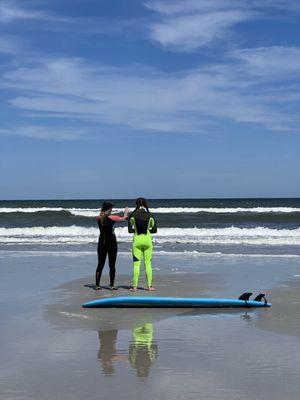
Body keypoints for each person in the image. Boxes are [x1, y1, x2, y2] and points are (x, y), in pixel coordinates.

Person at [95, 201, 128, 290]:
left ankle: (97, 285)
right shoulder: (113, 217)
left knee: (100, 264)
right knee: (112, 265)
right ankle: (111, 285)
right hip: (111, 243)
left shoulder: (98, 218)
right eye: (111, 208)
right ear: (109, 209)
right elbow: (125, 218)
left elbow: (103, 217)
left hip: (101, 242)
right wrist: (126, 211)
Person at [128, 198, 157, 291]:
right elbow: (154, 230)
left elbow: (129, 230)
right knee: (148, 264)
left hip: (137, 241)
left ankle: (134, 287)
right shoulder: (150, 215)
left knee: (136, 265)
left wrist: (136, 230)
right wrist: (148, 229)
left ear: (136, 204)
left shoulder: (132, 215)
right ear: (145, 204)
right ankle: (149, 286)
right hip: (148, 241)